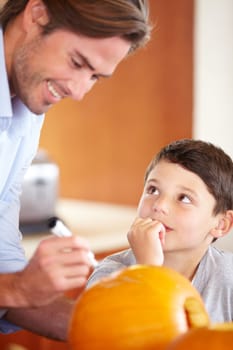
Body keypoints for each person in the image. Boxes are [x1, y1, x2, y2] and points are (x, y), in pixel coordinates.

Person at [0, 0, 151, 340]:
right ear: (37, 14)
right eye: (77, 62)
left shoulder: (25, 112)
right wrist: (19, 288)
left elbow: (4, 269)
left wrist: (133, 331)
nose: (80, 91)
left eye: (95, 76)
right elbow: (12, 288)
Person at [87, 139, 233, 323]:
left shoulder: (228, 277)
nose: (159, 205)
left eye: (184, 198)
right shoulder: (109, 275)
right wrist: (148, 270)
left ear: (221, 224)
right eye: (153, 190)